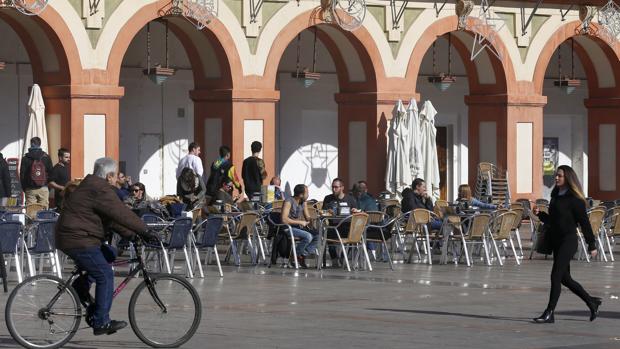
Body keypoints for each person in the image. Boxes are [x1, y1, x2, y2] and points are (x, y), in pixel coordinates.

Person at [55, 157, 155, 335]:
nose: (118, 179)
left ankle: (80, 287)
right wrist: (146, 231)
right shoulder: (101, 189)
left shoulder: (92, 186)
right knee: (105, 274)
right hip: (77, 238)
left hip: (77, 236)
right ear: (109, 176)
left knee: (109, 253)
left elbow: (111, 220)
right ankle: (101, 321)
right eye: (115, 176)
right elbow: (122, 213)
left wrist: (133, 235)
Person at [533, 165, 601, 324]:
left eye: (560, 176)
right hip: (556, 240)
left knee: (555, 275)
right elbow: (553, 220)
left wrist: (592, 244)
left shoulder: (575, 200)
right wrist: (540, 214)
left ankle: (549, 313)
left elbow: (584, 223)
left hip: (568, 241)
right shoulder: (555, 195)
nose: (556, 178)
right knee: (565, 279)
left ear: (568, 178)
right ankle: (592, 302)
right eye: (556, 175)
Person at [281, 184, 319, 268]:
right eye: (307, 193)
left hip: (298, 228)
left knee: (319, 235)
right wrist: (300, 222)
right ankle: (295, 257)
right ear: (301, 195)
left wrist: (314, 218)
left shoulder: (303, 202)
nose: (308, 195)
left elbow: (307, 217)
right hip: (288, 228)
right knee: (308, 236)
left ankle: (300, 255)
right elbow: (284, 219)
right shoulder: (289, 201)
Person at [20, 137, 53, 208]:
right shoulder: (46, 157)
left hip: (30, 188)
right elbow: (51, 174)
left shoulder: (25, 158)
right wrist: (47, 186)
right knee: (43, 213)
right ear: (40, 144)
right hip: (43, 188)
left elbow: (22, 175)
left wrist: (25, 188)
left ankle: (32, 219)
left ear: (31, 144)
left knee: (31, 211)